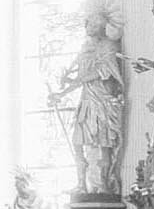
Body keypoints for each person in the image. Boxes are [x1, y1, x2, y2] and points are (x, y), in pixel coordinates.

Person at [51, 11, 127, 195]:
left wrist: (68, 89)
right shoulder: (85, 48)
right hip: (86, 101)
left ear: (101, 26)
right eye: (87, 24)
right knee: (77, 141)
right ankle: (81, 184)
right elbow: (79, 76)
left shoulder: (109, 46)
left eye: (92, 24)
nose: (88, 27)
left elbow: (101, 73)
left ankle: (104, 186)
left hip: (102, 102)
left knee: (104, 144)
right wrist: (64, 85)